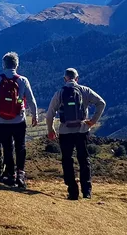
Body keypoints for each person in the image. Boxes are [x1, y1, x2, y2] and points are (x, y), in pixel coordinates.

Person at [46, 68, 106, 200]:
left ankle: (72, 191)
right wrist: (93, 121)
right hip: (82, 130)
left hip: (65, 132)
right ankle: (87, 191)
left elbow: (50, 113)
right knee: (84, 159)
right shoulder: (85, 91)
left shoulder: (60, 93)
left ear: (64, 79)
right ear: (77, 78)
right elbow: (101, 103)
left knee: (67, 160)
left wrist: (50, 129)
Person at [0, 52, 38, 189]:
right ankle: (20, 174)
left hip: (1, 120)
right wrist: (35, 115)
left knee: (7, 147)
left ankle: (10, 175)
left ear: (4, 65)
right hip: (19, 119)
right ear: (17, 65)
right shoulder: (23, 80)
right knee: (20, 146)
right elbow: (31, 100)